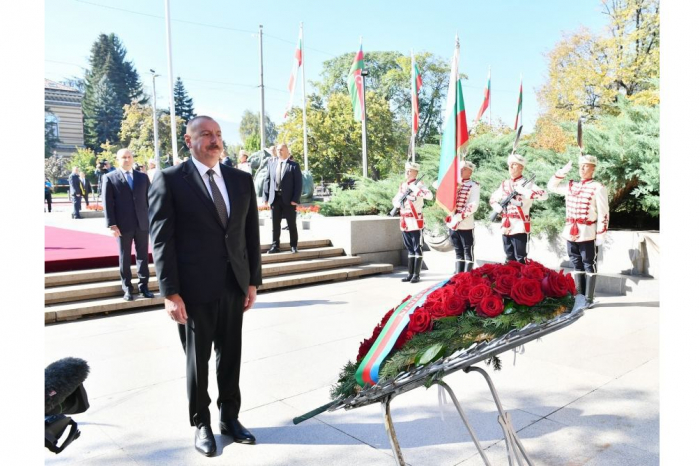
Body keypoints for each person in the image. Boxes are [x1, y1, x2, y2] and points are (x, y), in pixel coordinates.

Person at [149, 116, 262, 457]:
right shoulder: (169, 180)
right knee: (197, 362)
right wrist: (170, 292)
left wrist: (253, 281)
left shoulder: (240, 180)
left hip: (233, 285)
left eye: (218, 134)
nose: (214, 141)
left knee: (231, 356)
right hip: (193, 290)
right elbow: (162, 241)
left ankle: (231, 418)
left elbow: (250, 235)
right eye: (206, 135)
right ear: (189, 140)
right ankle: (202, 423)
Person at [547, 155, 609, 305]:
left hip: (587, 231)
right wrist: (562, 171)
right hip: (570, 231)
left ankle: (589, 298)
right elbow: (551, 186)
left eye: (586, 166)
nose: (582, 169)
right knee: (576, 262)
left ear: (593, 168)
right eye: (580, 166)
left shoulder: (598, 187)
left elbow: (604, 212)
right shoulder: (571, 186)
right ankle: (579, 296)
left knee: (589, 263)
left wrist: (601, 233)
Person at [102, 149, 154, 302]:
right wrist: (112, 225)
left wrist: (152, 219)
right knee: (124, 257)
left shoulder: (143, 177)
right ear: (118, 159)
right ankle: (127, 289)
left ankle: (144, 286)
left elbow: (150, 199)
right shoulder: (109, 178)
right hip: (123, 226)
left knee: (143, 256)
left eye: (129, 157)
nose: (127, 160)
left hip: (142, 223)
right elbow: (107, 204)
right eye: (123, 157)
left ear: (133, 158)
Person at [489, 153, 548, 263]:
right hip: (506, 225)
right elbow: (492, 199)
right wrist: (498, 208)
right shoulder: (504, 184)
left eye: (514, 164)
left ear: (521, 167)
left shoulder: (527, 184)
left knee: (520, 258)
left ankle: (521, 280)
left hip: (519, 225)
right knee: (508, 257)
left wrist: (525, 191)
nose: (510, 167)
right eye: (510, 164)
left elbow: (544, 195)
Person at [392, 161, 433, 283]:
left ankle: (416, 274)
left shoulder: (419, 185)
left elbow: (429, 196)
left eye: (410, 170)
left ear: (416, 172)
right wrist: (397, 203)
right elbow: (395, 199)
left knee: (417, 247)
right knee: (409, 248)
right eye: (407, 170)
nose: (407, 172)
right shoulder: (403, 185)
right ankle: (410, 274)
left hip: (415, 220)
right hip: (404, 220)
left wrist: (415, 189)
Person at [262, 143, 302, 254]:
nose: (279, 151)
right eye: (278, 149)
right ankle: (275, 246)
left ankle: (293, 245)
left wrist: (295, 199)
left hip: (289, 200)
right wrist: (265, 196)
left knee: (291, 224)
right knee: (275, 224)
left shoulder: (294, 166)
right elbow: (267, 180)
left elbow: (298, 184)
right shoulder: (272, 164)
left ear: (287, 151)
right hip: (275, 199)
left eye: (281, 150)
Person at [445, 160, 480, 273]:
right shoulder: (453, 184)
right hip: (453, 223)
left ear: (470, 171)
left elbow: (473, 206)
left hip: (465, 223)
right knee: (457, 250)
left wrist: (458, 217)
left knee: (467, 250)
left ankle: (467, 277)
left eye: (464, 169)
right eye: (460, 168)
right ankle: (457, 275)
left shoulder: (474, 185)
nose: (461, 170)